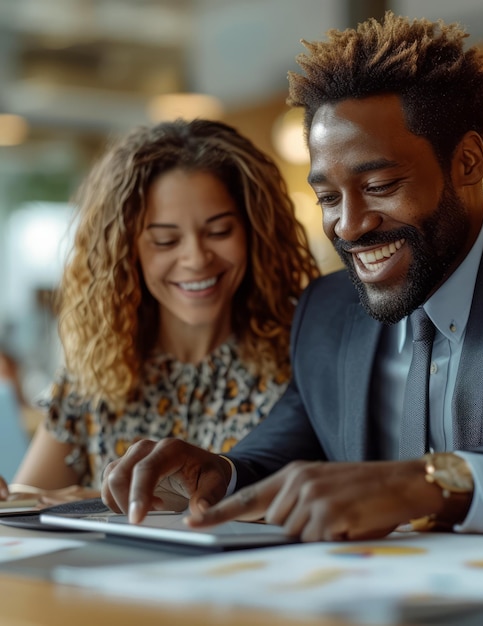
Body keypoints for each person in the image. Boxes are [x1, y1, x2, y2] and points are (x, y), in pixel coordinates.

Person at [101, 12, 483, 540]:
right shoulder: (328, 311)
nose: (349, 225)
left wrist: (436, 483)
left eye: (379, 185)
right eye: (328, 197)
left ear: (467, 161)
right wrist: (216, 473)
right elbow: (276, 460)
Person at [3, 118, 319, 504]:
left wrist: (84, 498)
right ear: (127, 251)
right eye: (165, 241)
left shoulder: (304, 353)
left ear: (256, 232)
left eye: (219, 232)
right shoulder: (98, 368)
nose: (196, 259)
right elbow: (30, 498)